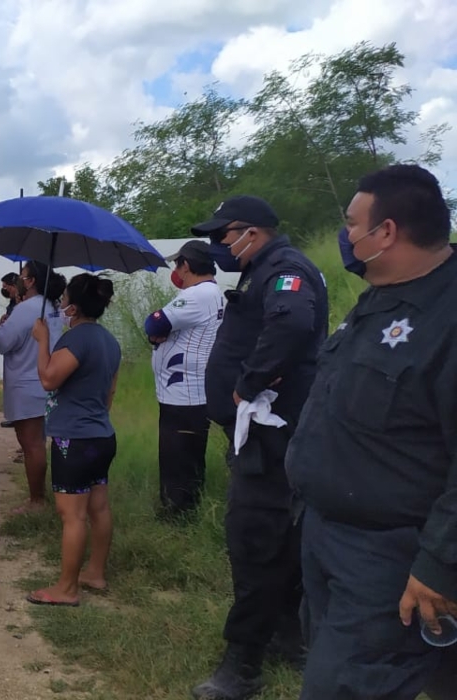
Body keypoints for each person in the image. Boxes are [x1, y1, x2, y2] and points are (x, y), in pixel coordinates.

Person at [287, 164, 457, 700]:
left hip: (391, 556)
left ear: (386, 232)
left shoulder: (446, 318)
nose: (347, 235)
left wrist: (439, 564)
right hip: (327, 534)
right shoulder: (380, 295)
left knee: (342, 687)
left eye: (352, 223)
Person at [191, 196, 328, 700]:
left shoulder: (285, 270)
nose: (216, 247)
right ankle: (287, 639)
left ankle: (242, 665)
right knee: (281, 539)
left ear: (250, 231)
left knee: (253, 541)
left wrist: (247, 384)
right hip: (268, 437)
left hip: (271, 438)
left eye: (221, 236)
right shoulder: (261, 270)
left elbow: (290, 325)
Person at [26, 274, 121, 607]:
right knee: (98, 506)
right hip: (100, 434)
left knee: (73, 515)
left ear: (75, 307)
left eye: (64, 299)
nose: (61, 305)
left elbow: (50, 379)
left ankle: (66, 589)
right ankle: (94, 572)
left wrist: (41, 340)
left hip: (74, 439)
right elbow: (110, 392)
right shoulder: (109, 341)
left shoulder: (76, 339)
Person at [143, 240, 224, 520]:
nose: (175, 271)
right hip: (190, 392)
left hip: (183, 395)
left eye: (177, 264)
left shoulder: (198, 294)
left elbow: (153, 323)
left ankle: (177, 515)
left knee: (178, 459)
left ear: (186, 265)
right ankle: (184, 508)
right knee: (187, 459)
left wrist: (157, 331)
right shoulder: (212, 293)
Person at [0, 260, 65, 515]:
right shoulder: (52, 307)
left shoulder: (27, 309)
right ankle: (49, 495)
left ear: (31, 281)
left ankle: (37, 500)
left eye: (22, 276)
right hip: (46, 380)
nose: (18, 281)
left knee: (31, 444)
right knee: (40, 441)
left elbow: (3, 343)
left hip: (27, 383)